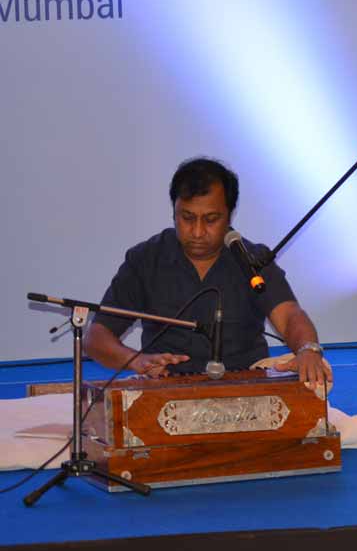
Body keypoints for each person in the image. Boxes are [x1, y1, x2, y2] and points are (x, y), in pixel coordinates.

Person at [85, 157, 331, 391]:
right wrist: (137, 360)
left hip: (247, 383)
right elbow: (97, 337)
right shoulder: (146, 259)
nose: (197, 231)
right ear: (174, 212)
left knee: (316, 379)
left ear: (229, 215)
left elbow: (289, 316)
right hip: (166, 386)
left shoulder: (252, 259)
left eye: (211, 219)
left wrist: (308, 349)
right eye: (187, 218)